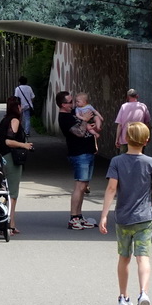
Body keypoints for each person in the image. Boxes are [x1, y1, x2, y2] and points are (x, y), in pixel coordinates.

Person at [98, 122, 152, 305]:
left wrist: (104, 215)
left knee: (124, 257)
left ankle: (122, 297)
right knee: (143, 257)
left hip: (123, 219)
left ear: (125, 139)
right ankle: (143, 293)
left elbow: (111, 189)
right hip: (145, 218)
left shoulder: (117, 162)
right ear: (147, 140)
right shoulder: (151, 163)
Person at [57, 90, 99, 230]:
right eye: (70, 102)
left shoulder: (74, 112)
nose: (73, 104)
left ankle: (79, 216)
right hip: (79, 154)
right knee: (79, 186)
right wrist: (85, 121)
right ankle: (73, 217)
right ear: (63, 105)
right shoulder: (64, 118)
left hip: (88, 152)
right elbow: (79, 133)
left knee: (84, 186)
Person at [0, 97, 33, 235]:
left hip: (4, 157)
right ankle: (9, 224)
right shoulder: (14, 120)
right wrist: (24, 145)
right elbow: (8, 141)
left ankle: (8, 223)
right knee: (13, 193)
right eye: (20, 105)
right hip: (12, 158)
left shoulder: (4, 120)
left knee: (7, 192)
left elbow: (1, 138)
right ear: (17, 107)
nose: (22, 108)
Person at [114, 89, 151, 153]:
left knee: (124, 160)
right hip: (139, 139)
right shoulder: (143, 106)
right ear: (137, 96)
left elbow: (120, 125)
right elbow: (147, 124)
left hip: (125, 139)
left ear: (128, 97)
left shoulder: (124, 107)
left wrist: (117, 139)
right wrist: (148, 136)